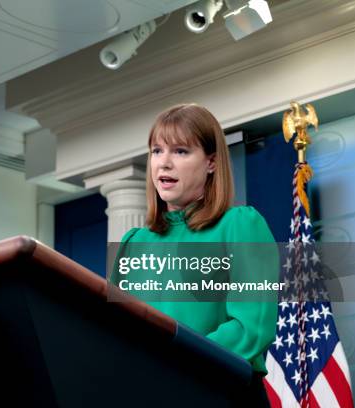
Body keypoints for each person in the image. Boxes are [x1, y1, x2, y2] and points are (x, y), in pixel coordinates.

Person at [116, 103, 278, 406]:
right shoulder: (133, 243)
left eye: (180, 151)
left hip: (220, 393)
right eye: (156, 151)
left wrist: (170, 364)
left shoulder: (240, 225)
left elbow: (251, 328)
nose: (164, 163)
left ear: (211, 163)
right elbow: (117, 333)